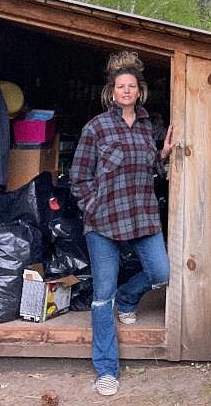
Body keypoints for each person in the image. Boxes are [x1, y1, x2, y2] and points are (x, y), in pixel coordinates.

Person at [70, 51, 174, 397]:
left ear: (139, 90)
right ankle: (105, 369)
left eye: (131, 86)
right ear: (111, 92)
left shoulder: (147, 126)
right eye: (120, 86)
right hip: (104, 221)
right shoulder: (97, 127)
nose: (126, 91)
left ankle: (128, 299)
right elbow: (79, 177)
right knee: (102, 296)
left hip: (142, 213)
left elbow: (149, 170)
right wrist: (91, 207)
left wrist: (162, 155)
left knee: (161, 272)